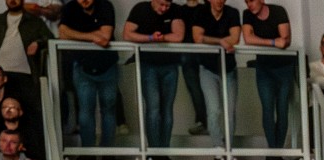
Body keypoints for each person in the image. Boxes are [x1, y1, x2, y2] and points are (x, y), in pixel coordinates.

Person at [121, 0, 184, 150]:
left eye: (167, 6)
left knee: (167, 110)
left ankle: (164, 150)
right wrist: (150, 38)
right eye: (161, 4)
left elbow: (178, 36)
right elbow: (127, 34)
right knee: (153, 109)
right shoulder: (141, 8)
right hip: (148, 65)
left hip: (170, 65)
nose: (164, 9)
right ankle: (154, 151)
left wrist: (161, 38)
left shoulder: (176, 10)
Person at [60, 0, 119, 147]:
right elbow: (62, 33)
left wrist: (76, 34)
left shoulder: (105, 5)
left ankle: (108, 152)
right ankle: (88, 152)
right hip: (82, 66)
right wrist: (93, 36)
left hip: (107, 66)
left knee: (109, 110)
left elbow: (105, 35)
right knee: (85, 112)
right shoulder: (70, 7)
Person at [0, 0, 55, 103]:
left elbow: (50, 39)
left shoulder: (34, 21)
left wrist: (38, 43)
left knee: (25, 107)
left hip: (25, 75)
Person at [240, 0, 292, 149]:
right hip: (264, 67)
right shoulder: (247, 14)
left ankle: (277, 151)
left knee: (282, 110)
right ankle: (273, 150)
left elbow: (285, 40)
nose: (249, 5)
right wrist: (273, 42)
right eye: (246, 1)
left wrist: (263, 41)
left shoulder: (278, 11)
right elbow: (248, 39)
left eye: (252, 0)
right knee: (267, 110)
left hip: (284, 67)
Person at [190, 0, 240, 146]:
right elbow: (197, 38)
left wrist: (209, 40)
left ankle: (229, 149)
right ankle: (218, 147)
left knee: (230, 112)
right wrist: (221, 42)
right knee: (214, 110)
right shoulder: (201, 13)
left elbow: (235, 38)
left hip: (229, 69)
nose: (219, 1)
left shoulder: (232, 12)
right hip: (208, 68)